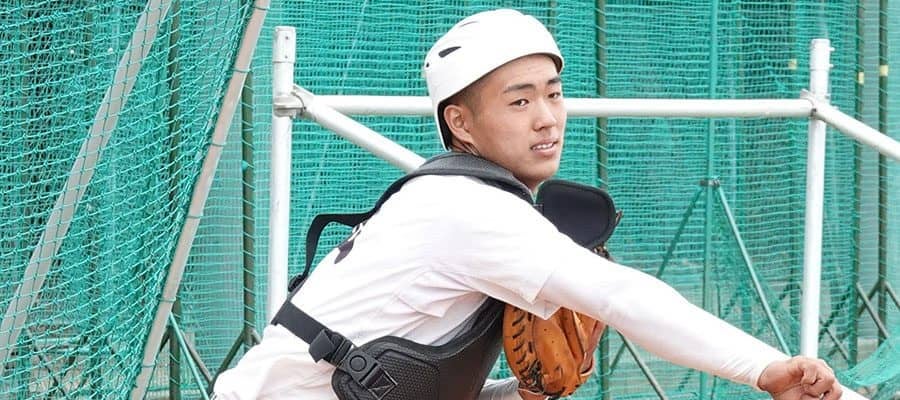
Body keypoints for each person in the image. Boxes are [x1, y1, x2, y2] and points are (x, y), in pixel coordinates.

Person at [213, 9, 851, 400]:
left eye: (553, 93)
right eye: (519, 101)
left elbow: (397, 384)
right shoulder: (467, 209)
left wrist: (516, 395)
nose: (547, 118)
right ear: (460, 123)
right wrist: (765, 368)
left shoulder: (457, 200)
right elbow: (624, 297)